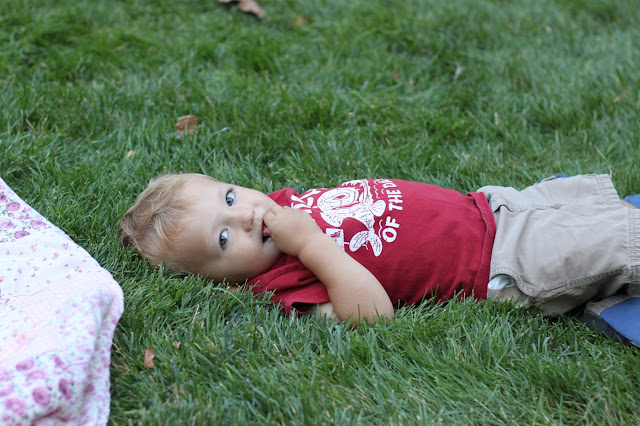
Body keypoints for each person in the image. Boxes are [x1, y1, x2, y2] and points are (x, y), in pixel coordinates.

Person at [118, 173, 640, 328]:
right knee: (616, 241)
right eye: (223, 238)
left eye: (230, 198)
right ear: (220, 279)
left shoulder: (276, 208)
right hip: (503, 263)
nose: (245, 216)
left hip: (490, 209)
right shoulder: (282, 287)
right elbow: (371, 317)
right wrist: (311, 244)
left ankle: (610, 279)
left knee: (594, 206)